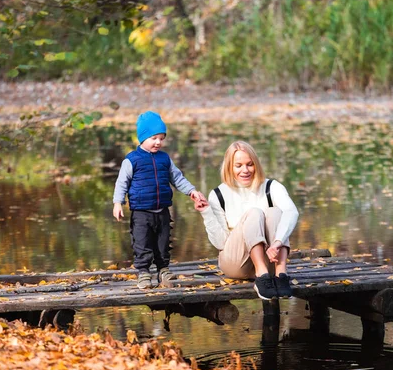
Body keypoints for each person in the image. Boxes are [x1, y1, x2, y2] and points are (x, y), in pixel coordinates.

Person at [113, 111, 207, 289]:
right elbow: (121, 183)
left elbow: (177, 178)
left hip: (162, 210)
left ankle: (163, 269)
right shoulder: (132, 160)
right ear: (142, 138)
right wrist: (118, 202)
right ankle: (143, 273)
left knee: (163, 243)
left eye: (161, 138)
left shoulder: (164, 159)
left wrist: (192, 191)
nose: (158, 142)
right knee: (142, 243)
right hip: (141, 212)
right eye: (154, 138)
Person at [195, 141, 299, 300]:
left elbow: (292, 212)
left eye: (250, 164)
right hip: (236, 263)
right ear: (229, 166)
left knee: (277, 212)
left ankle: (280, 274)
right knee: (255, 213)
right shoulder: (218, 194)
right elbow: (220, 243)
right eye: (238, 165)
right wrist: (206, 212)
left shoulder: (272, 187)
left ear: (256, 164)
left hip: (270, 258)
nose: (245, 170)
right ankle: (262, 276)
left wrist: (277, 242)